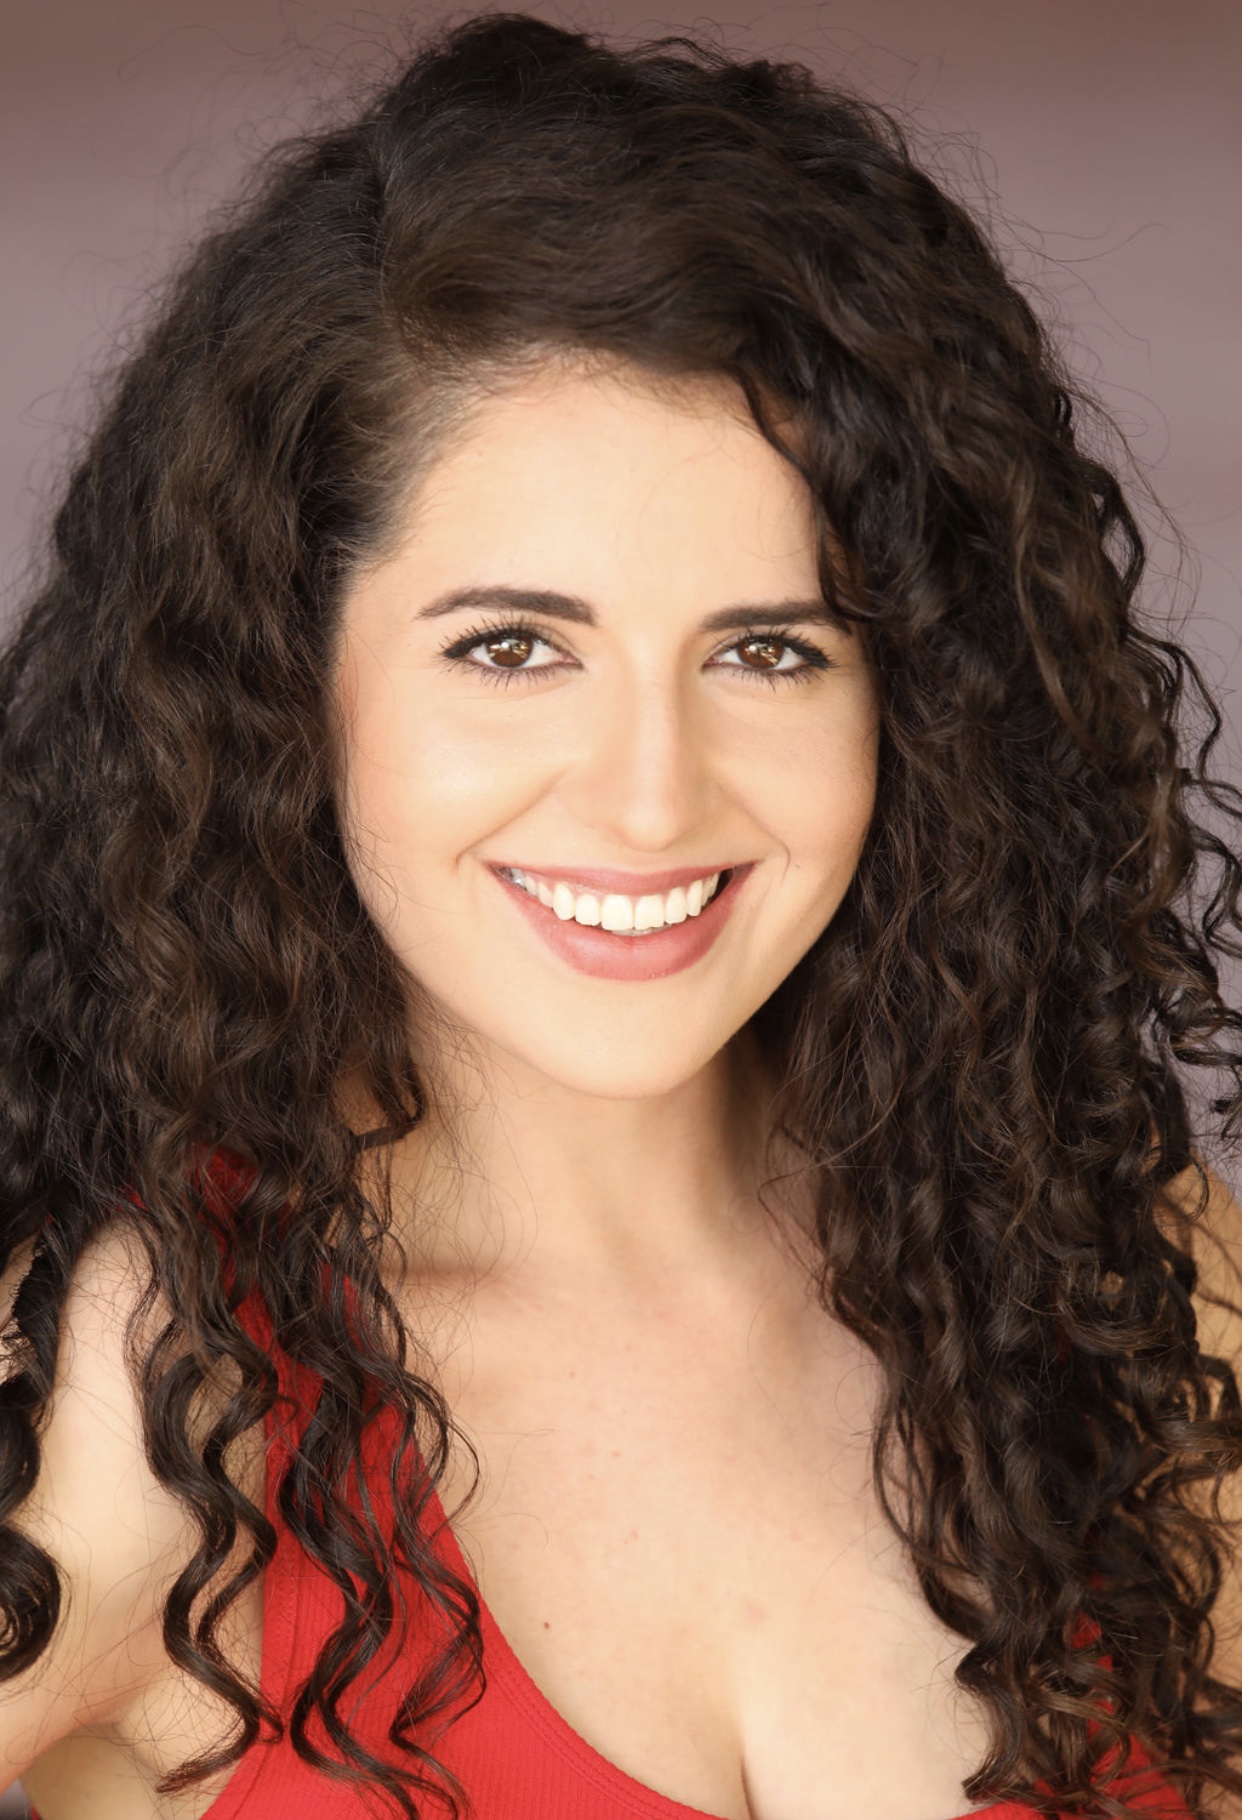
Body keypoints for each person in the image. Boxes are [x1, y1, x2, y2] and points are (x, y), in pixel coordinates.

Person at [1, 11, 1241, 1819]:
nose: (652, 798)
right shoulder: (143, 1393)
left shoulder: (1111, 1282)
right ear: (283, 680)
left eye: (768, 651)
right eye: (513, 649)